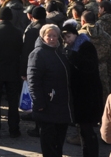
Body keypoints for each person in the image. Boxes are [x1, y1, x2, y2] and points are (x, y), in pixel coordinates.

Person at [27, 24, 73, 157]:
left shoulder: (61, 51)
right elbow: (33, 80)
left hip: (62, 103)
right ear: (43, 37)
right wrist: (39, 103)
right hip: (47, 104)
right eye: (49, 36)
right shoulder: (37, 54)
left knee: (59, 140)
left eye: (54, 36)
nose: (52, 39)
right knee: (49, 142)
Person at [62, 20, 103, 157]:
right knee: (83, 129)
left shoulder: (85, 46)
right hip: (80, 94)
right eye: (65, 38)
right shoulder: (72, 48)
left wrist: (73, 58)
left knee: (87, 129)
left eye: (69, 37)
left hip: (88, 94)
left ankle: (91, 153)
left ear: (75, 34)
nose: (67, 41)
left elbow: (89, 67)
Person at [0, 6, 23, 139]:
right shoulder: (18, 32)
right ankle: (14, 129)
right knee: (13, 101)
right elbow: (21, 51)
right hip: (13, 71)